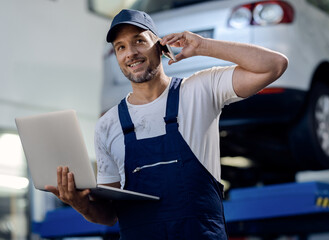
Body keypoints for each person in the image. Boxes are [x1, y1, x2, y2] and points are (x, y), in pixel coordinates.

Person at [45, 9, 288, 240]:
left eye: (139, 41)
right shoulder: (108, 125)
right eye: (121, 47)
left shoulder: (199, 90)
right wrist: (80, 204)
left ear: (160, 46)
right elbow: (109, 215)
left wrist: (203, 45)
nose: (130, 52)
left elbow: (274, 65)